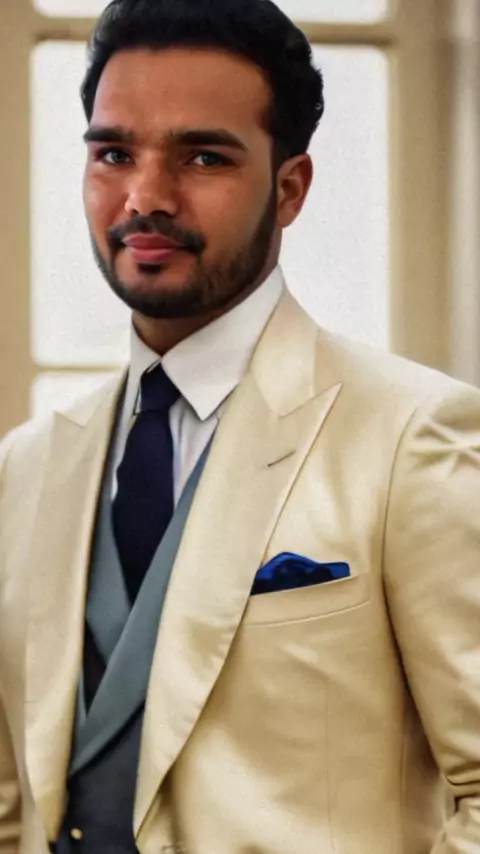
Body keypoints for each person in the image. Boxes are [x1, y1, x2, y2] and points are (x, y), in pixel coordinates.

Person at [1, 0, 479, 851]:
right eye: (114, 154)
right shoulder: (26, 468)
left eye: (203, 157)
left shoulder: (413, 437)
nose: (145, 197)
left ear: (289, 188)